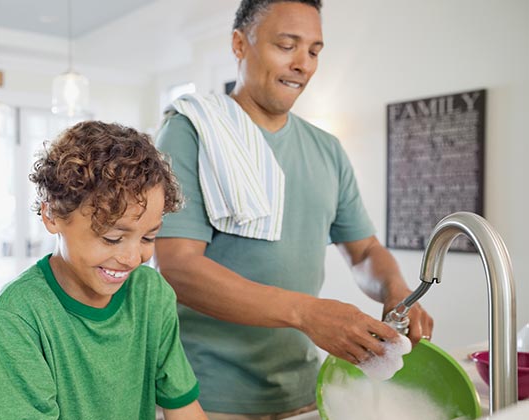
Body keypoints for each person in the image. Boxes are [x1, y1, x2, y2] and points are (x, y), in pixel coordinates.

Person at [154, 1, 434, 418]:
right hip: (205, 393)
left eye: (315, 51)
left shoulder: (327, 150)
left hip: (304, 389)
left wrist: (395, 291)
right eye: (287, 45)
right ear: (239, 44)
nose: (303, 64)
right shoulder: (189, 133)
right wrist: (307, 312)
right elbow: (177, 267)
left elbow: (364, 251)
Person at [0, 121, 208, 420]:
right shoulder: (21, 313)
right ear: (52, 215)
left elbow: (182, 406)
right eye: (112, 238)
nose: (131, 257)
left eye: (148, 237)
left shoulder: (151, 294)